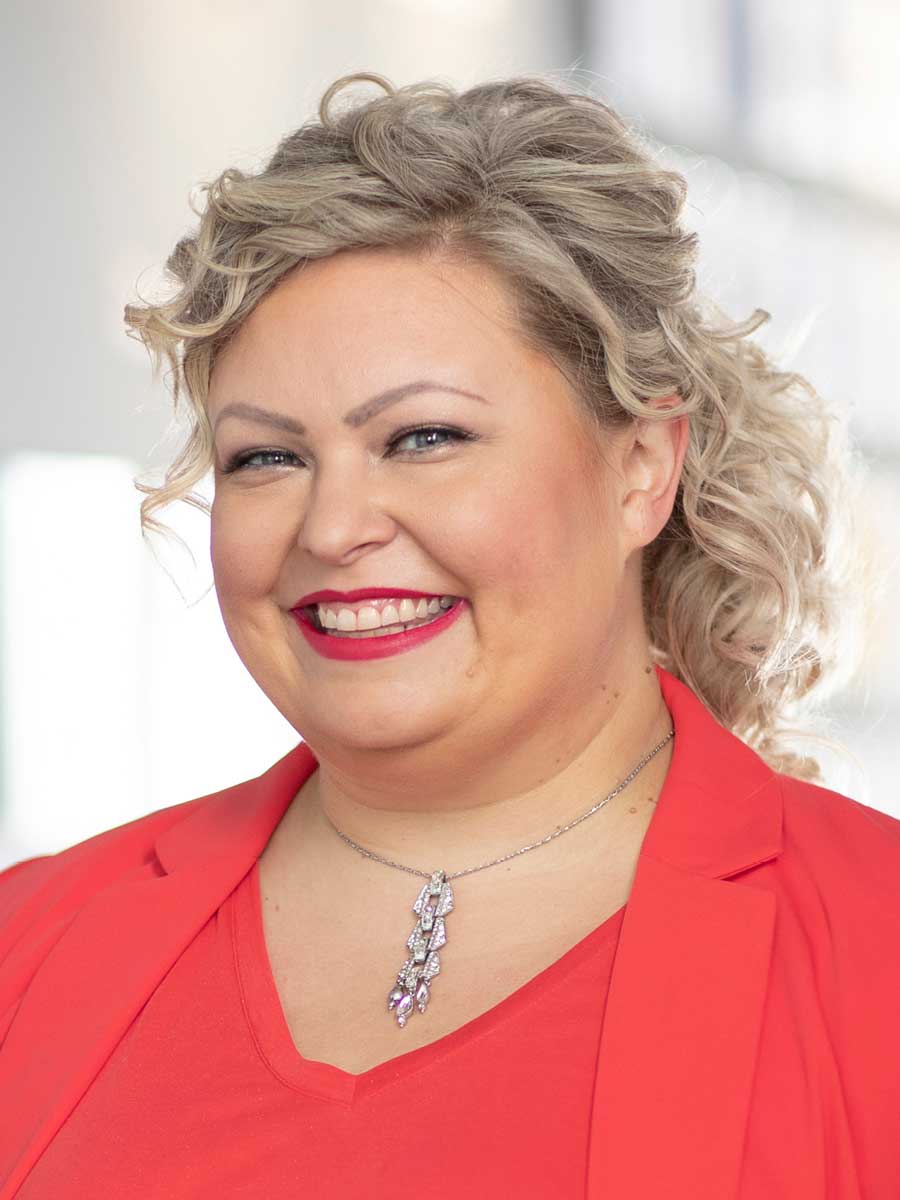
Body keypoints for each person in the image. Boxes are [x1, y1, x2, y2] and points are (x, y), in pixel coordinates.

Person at [0, 70, 897, 1199]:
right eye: (266, 457)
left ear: (640, 471)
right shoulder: (29, 946)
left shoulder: (878, 958)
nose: (332, 529)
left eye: (424, 437)